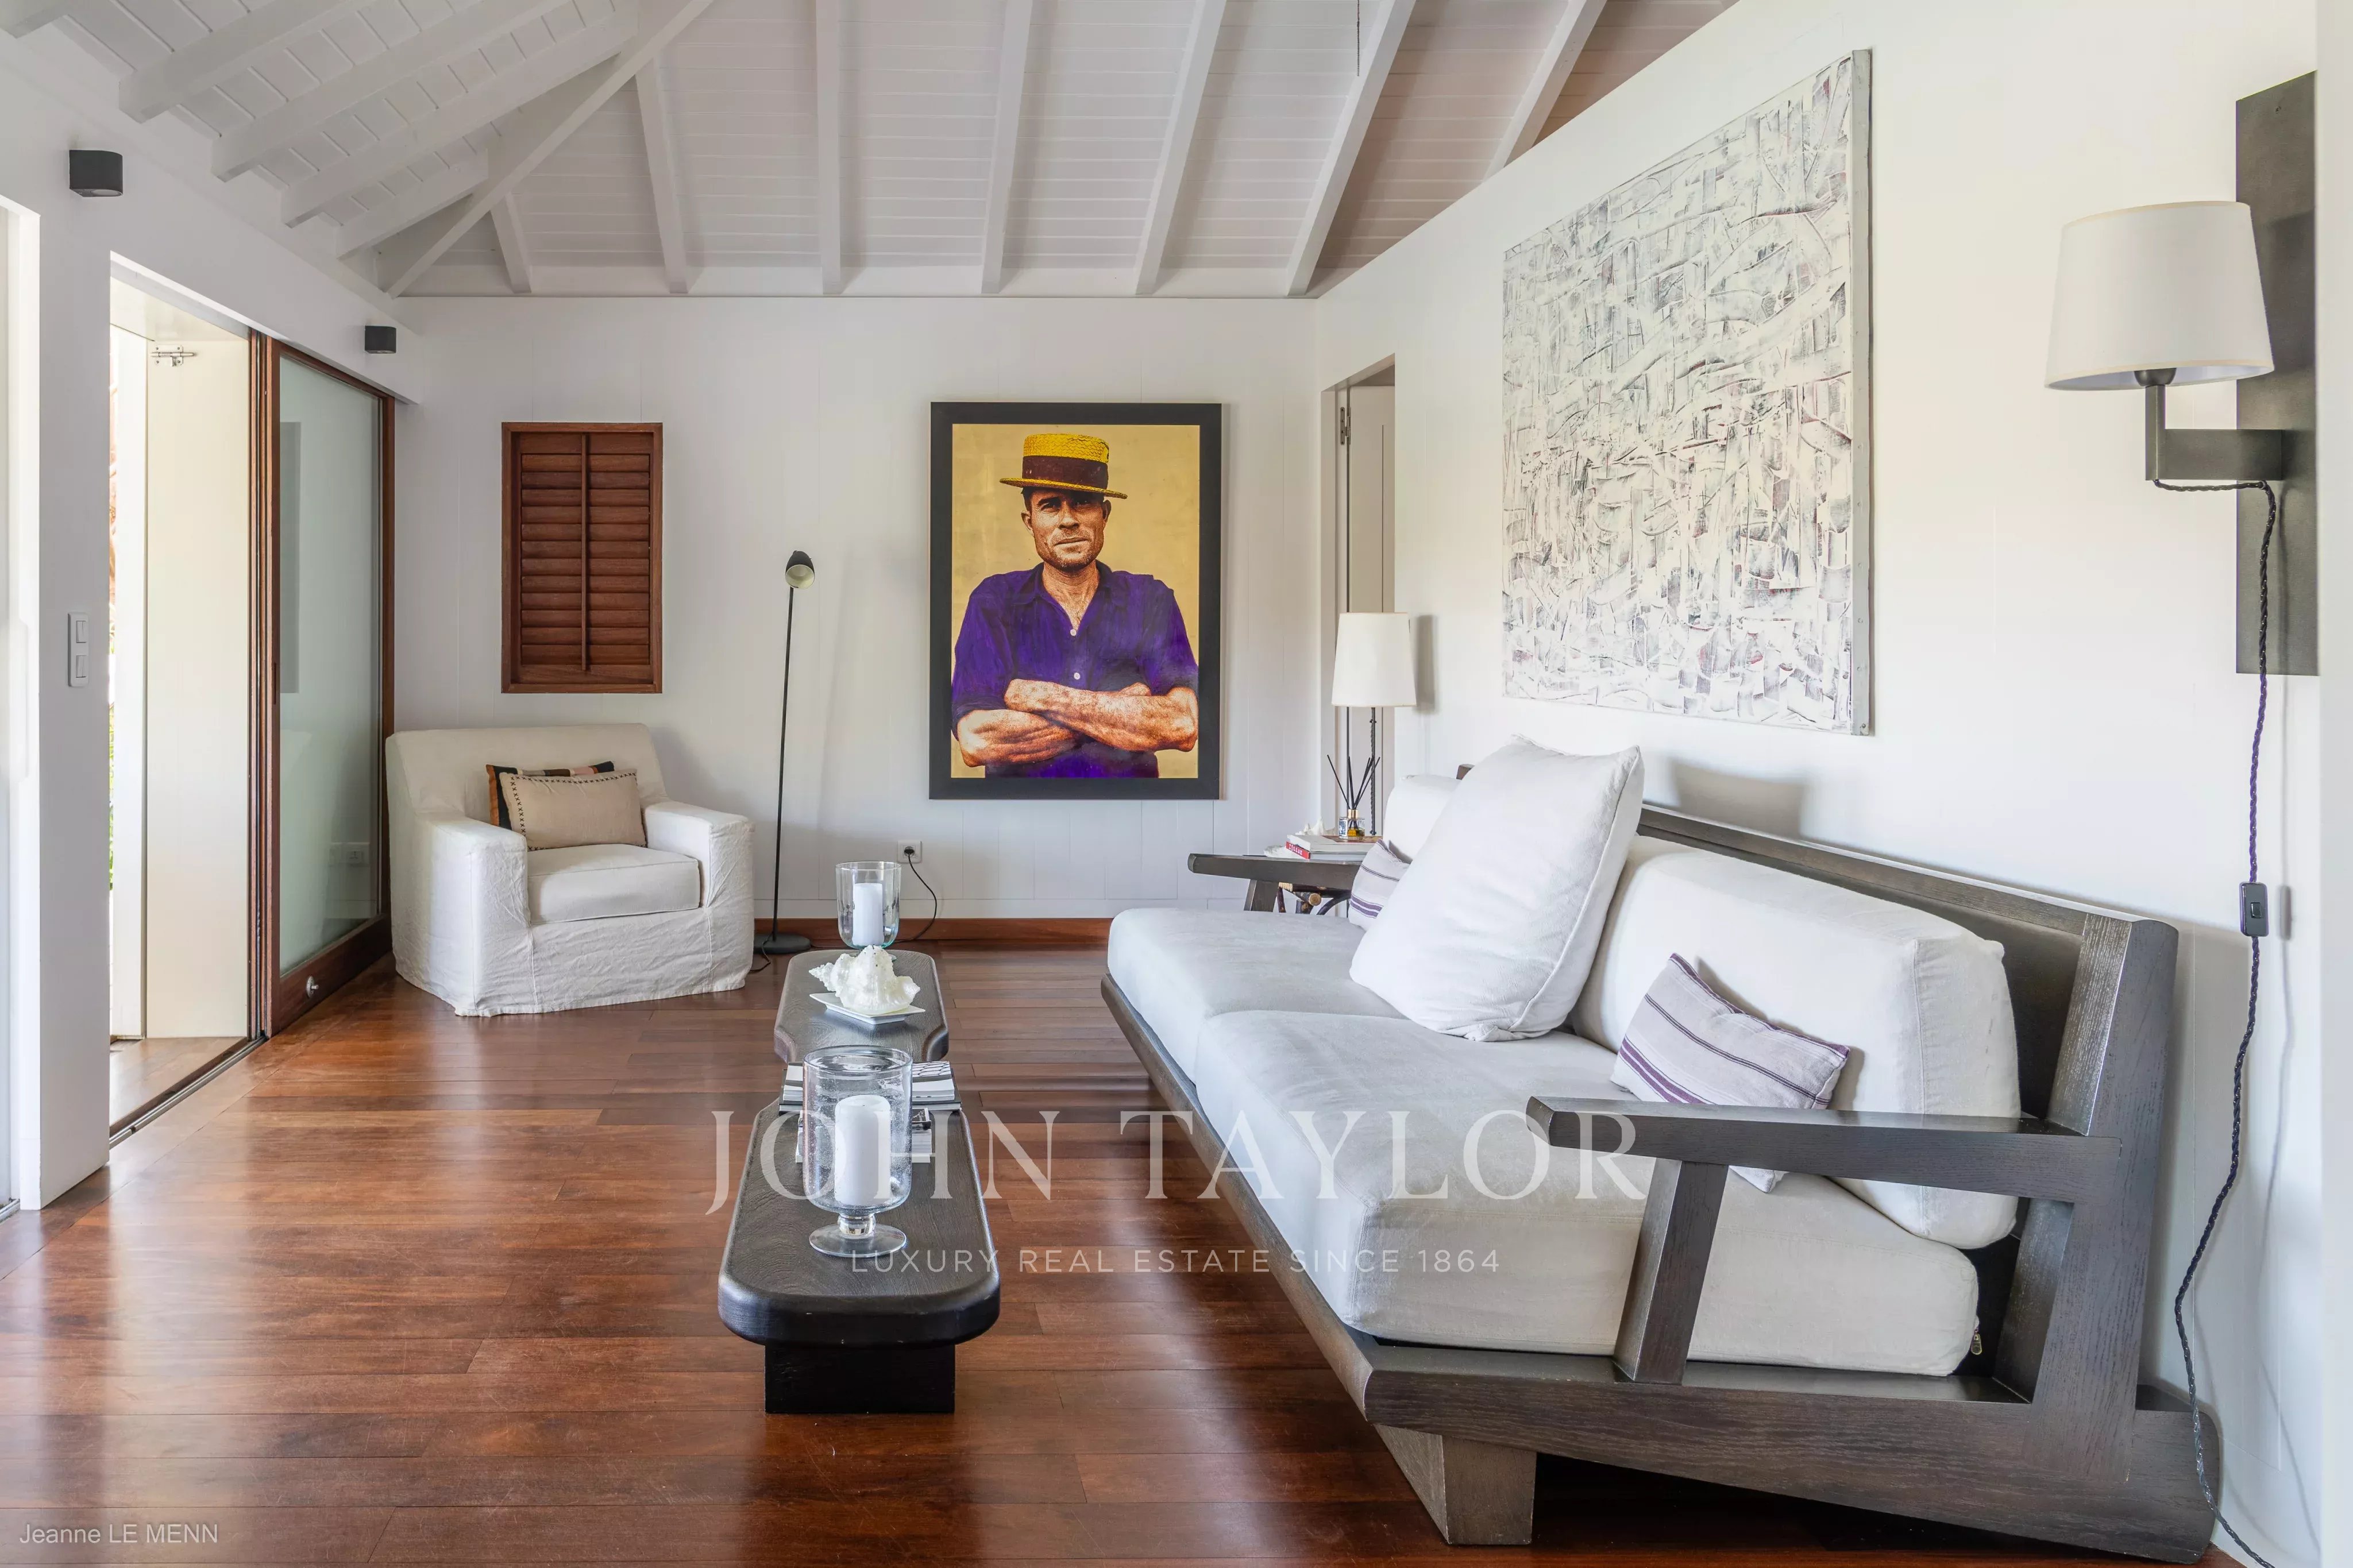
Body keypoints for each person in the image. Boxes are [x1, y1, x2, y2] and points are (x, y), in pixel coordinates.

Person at [951, 432, 1198, 778]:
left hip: (1131, 808)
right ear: (1029, 521)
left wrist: (1041, 696)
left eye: (1082, 502)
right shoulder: (994, 602)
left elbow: (1182, 724)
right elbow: (977, 741)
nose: (1068, 520)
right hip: (1020, 810)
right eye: (1051, 506)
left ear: (1104, 515)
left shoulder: (1150, 599)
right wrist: (1121, 711)